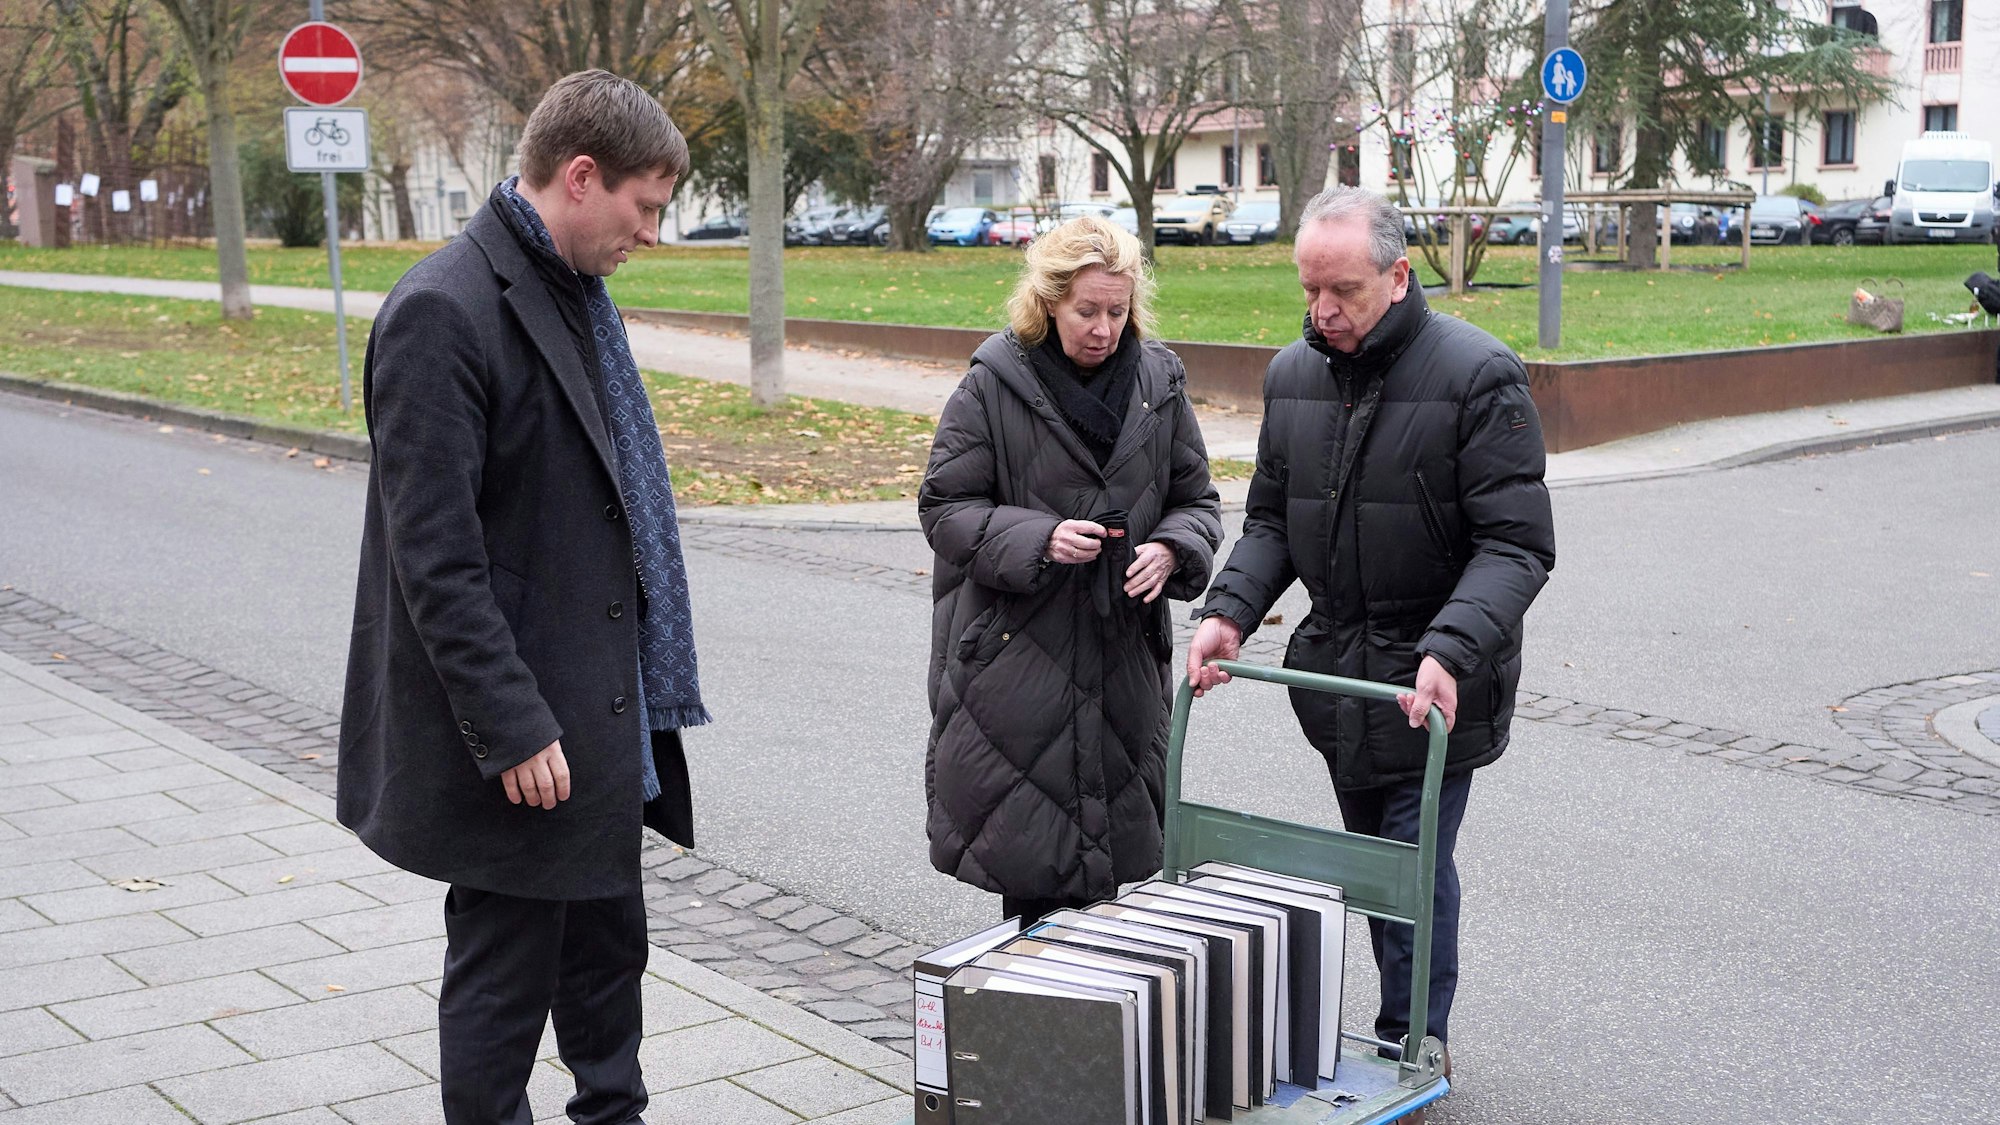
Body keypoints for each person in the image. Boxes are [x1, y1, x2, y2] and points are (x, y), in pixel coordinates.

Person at [337, 70, 701, 1125]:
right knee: (503, 980)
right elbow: (432, 555)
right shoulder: (443, 310)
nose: (649, 234)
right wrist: (510, 726)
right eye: (644, 208)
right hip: (525, 735)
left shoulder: (576, 296)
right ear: (581, 178)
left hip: (603, 710)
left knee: (605, 960)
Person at [1186, 187, 1556, 1082]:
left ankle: (1413, 1039)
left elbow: (1517, 543)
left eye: (1342, 290)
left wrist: (1449, 647)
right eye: (1309, 290)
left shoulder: (1478, 375)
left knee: (1407, 861)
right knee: (1367, 863)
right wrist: (1228, 611)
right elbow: (1272, 519)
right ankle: (1400, 1029)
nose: (1322, 311)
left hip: (1435, 683)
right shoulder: (1293, 374)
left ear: (1397, 275)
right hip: (1340, 683)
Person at [921, 216, 1223, 926]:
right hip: (1015, 664)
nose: (1104, 327)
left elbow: (1197, 499)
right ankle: (1026, 1034)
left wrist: (1174, 548)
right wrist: (1040, 538)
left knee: (1108, 880)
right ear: (1049, 300)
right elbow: (945, 506)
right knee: (1033, 873)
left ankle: (1093, 1036)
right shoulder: (993, 383)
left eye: (1118, 310)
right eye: (1087, 310)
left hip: (1122, 663)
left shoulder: (1159, 379)